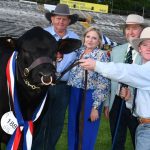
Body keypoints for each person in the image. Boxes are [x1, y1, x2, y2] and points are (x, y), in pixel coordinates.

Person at [80, 26, 150, 150]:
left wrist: (96, 65)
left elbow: (126, 71)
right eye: (145, 44)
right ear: (139, 48)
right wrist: (129, 98)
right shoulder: (143, 67)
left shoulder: (146, 69)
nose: (148, 48)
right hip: (143, 124)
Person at [32, 4, 79, 150]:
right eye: (58, 18)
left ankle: (49, 147)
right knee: (39, 119)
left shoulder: (75, 39)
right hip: (42, 85)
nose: (61, 22)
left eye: (64, 19)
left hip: (63, 86)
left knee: (57, 121)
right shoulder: (42, 36)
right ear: (52, 19)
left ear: (69, 21)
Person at [103, 14, 146, 150]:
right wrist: (107, 103)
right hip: (116, 102)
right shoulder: (116, 51)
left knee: (139, 141)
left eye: (135, 28)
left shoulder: (146, 52)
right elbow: (110, 81)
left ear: (142, 31)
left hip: (137, 105)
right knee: (116, 141)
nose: (130, 32)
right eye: (128, 28)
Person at [67, 26, 110, 150]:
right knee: (73, 127)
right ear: (84, 38)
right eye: (88, 37)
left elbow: (103, 82)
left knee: (87, 130)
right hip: (75, 93)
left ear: (99, 41)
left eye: (94, 38)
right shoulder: (78, 52)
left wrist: (95, 107)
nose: (90, 40)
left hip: (91, 95)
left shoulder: (101, 55)